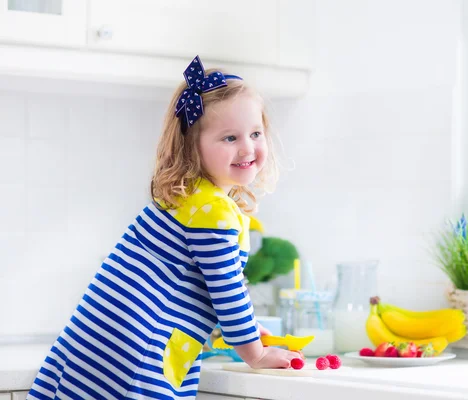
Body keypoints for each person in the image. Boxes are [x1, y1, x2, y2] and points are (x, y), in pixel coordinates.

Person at [28, 55, 299, 400]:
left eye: (256, 133)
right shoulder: (211, 210)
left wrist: (228, 330)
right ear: (192, 146)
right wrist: (254, 352)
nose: (247, 146)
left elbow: (183, 283)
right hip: (139, 354)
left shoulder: (185, 200)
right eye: (230, 137)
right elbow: (226, 288)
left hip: (97, 343)